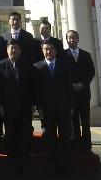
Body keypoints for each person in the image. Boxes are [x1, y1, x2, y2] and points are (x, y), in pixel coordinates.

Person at [34, 42, 74, 175]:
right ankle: (52, 166)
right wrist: (39, 107)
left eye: (51, 49)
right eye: (45, 49)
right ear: (42, 51)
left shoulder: (64, 65)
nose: (48, 51)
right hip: (47, 109)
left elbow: (69, 87)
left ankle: (66, 166)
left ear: (56, 51)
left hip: (63, 108)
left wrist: (71, 106)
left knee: (65, 139)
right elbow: (37, 90)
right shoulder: (37, 67)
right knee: (50, 139)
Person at [0, 39, 34, 172]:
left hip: (24, 106)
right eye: (11, 48)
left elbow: (32, 87)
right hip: (8, 107)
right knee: (10, 135)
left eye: (16, 48)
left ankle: (24, 162)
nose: (13, 50)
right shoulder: (0, 65)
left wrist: (33, 104)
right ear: (7, 50)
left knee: (24, 135)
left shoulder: (28, 66)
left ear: (20, 50)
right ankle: (12, 161)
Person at [64, 30, 96, 150]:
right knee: (74, 121)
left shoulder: (86, 55)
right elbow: (63, 73)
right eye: (69, 38)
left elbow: (91, 72)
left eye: (74, 38)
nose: (71, 40)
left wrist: (82, 84)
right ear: (66, 40)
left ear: (78, 39)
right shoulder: (63, 55)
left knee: (85, 121)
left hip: (84, 93)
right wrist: (71, 84)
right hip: (71, 94)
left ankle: (87, 146)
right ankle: (77, 146)